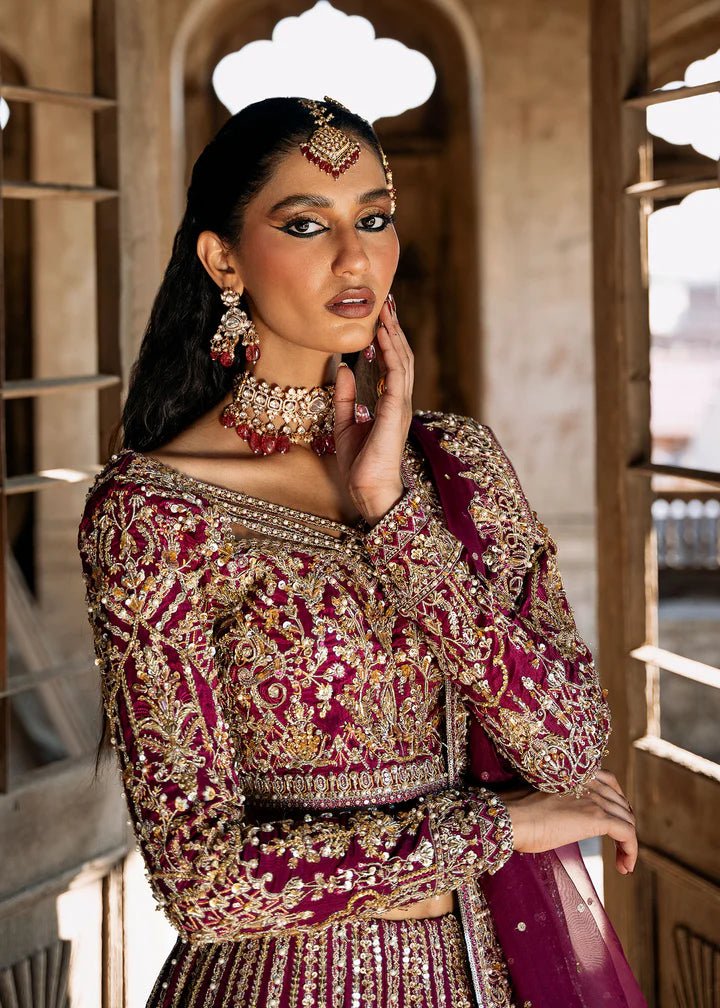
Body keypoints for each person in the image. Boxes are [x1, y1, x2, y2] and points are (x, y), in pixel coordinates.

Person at [77, 96, 646, 1007]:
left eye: (374, 218)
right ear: (224, 259)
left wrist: (395, 519)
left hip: (483, 974)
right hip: (277, 984)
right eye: (306, 224)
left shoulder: (454, 465)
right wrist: (495, 831)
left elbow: (569, 743)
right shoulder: (154, 515)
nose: (356, 258)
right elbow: (204, 883)